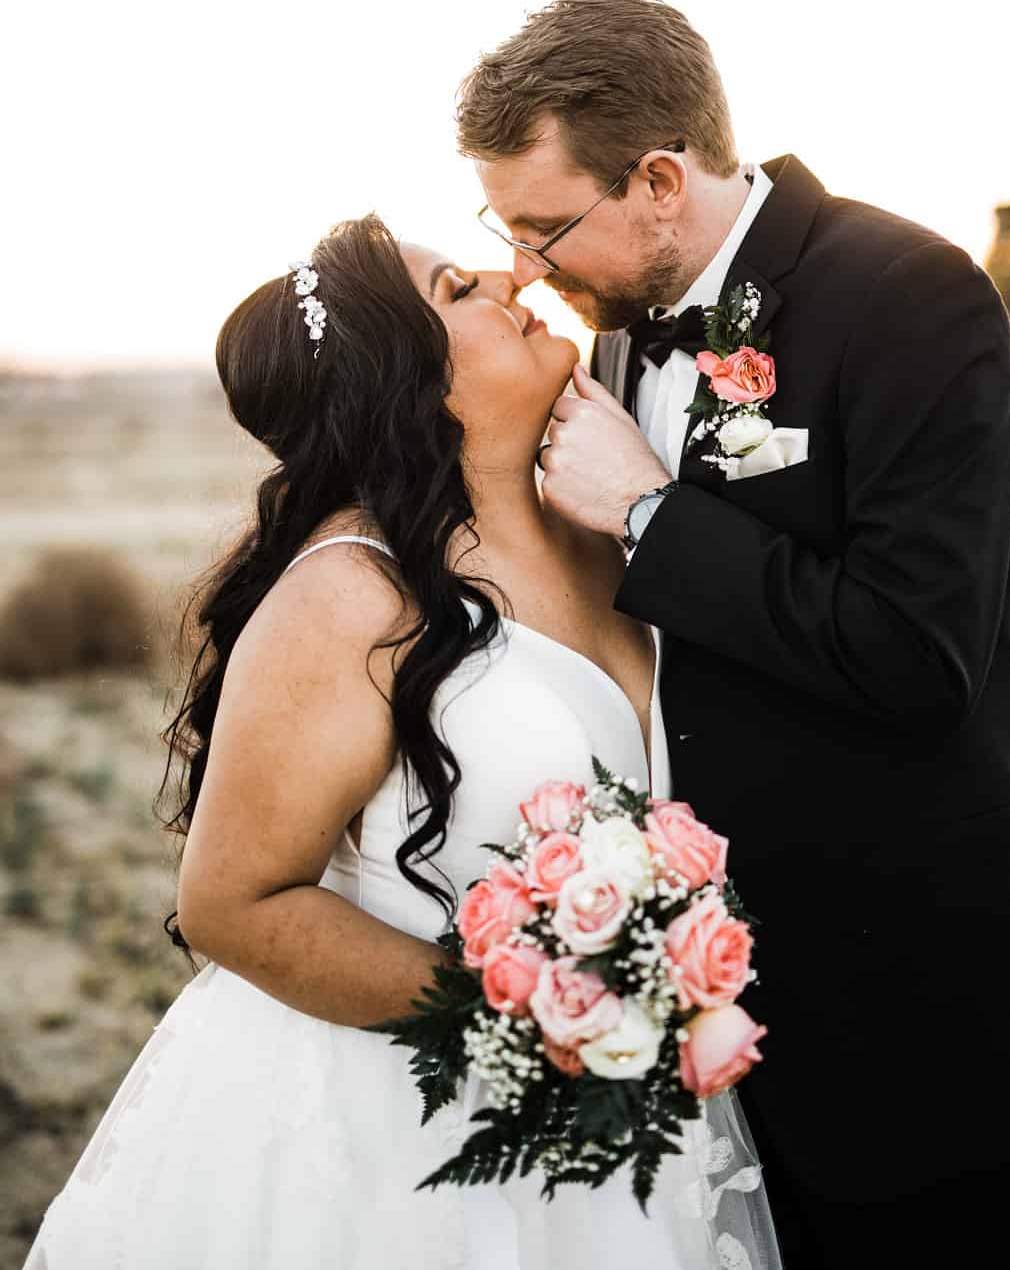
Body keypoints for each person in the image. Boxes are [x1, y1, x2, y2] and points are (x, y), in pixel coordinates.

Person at [458, 0, 1010, 1270]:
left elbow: (920, 656)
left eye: (545, 227)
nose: (528, 268)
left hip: (918, 1007)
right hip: (722, 1016)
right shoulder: (623, 339)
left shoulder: (913, 298)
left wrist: (649, 514)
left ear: (660, 181)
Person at [23, 214, 781, 1270]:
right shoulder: (350, 595)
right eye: (461, 289)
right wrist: (528, 1015)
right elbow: (233, 904)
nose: (513, 277)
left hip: (627, 1115)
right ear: (409, 380)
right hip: (399, 1137)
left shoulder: (612, 525)